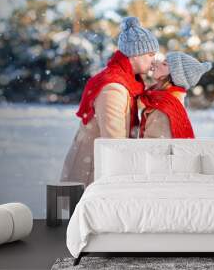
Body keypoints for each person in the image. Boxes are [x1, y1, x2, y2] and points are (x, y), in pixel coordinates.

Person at [60, 16, 159, 187]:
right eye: (150, 54)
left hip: (101, 175)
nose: (154, 60)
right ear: (135, 55)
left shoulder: (129, 83)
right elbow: (114, 144)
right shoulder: (113, 89)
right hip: (90, 177)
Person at [139, 51, 212, 138]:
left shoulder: (164, 108)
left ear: (173, 76)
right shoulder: (161, 99)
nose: (156, 64)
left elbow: (154, 148)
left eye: (164, 64)